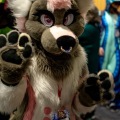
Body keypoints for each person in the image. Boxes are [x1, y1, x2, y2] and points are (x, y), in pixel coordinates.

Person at [78, 6, 101, 120]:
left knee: (82, 91)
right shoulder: (95, 28)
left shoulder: (87, 29)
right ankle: (89, 114)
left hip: (85, 65)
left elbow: (75, 37)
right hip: (93, 64)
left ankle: (84, 114)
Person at [99, 0, 120, 111]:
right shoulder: (102, 16)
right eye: (115, 3)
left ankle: (112, 99)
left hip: (115, 49)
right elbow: (99, 31)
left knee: (114, 73)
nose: (116, 6)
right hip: (103, 49)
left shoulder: (118, 17)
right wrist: (98, 46)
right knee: (102, 73)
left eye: (118, 4)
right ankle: (101, 97)